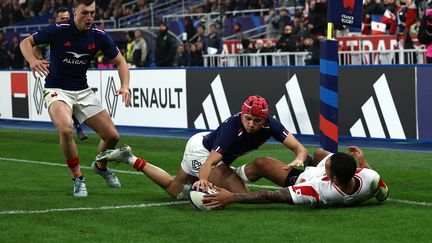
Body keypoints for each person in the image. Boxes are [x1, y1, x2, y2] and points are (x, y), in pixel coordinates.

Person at [19, 0, 132, 198]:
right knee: (65, 127)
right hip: (57, 89)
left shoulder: (99, 35)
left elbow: (121, 62)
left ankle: (100, 166)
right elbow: (25, 42)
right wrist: (32, 60)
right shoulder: (59, 29)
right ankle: (78, 178)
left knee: (112, 136)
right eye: (85, 13)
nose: (89, 17)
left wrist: (124, 86)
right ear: (74, 12)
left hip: (83, 90)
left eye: (93, 13)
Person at [97, 95, 309, 199]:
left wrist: (299, 156)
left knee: (174, 190)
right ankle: (225, 177)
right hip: (202, 150)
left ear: (265, 120)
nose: (252, 124)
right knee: (240, 194)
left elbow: (300, 148)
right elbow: (210, 161)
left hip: (212, 148)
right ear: (242, 114)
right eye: (248, 118)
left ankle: (130, 158)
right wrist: (203, 180)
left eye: (257, 120)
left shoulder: (272, 125)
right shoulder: (231, 130)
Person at [203, 146, 389, 209]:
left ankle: (233, 173)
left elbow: (273, 196)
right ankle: (309, 160)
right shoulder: (370, 178)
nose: (326, 165)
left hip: (305, 177)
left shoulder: (317, 190)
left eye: (327, 167)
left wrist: (231, 197)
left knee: (262, 163)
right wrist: (363, 162)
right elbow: (383, 195)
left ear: (334, 179)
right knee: (319, 152)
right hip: (341, 175)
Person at [32, 7, 88, 141]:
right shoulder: (52, 31)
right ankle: (75, 127)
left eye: (67, 18)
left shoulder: (74, 32)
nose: (65, 21)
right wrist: (39, 60)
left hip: (71, 71)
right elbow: (34, 45)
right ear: (56, 20)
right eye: (62, 18)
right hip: (54, 72)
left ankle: (76, 126)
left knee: (72, 101)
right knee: (62, 101)